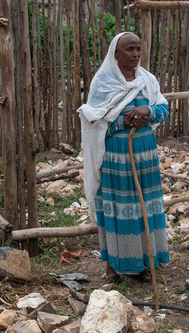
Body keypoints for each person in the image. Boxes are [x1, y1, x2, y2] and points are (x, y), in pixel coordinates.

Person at [78, 32, 169, 283]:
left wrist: (147, 111)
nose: (136, 54)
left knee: (143, 207)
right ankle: (113, 267)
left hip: (145, 156)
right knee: (118, 209)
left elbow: (163, 108)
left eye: (138, 49)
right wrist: (124, 120)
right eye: (130, 49)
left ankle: (141, 263)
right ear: (115, 54)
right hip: (117, 159)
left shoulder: (147, 80)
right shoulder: (103, 83)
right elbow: (95, 120)